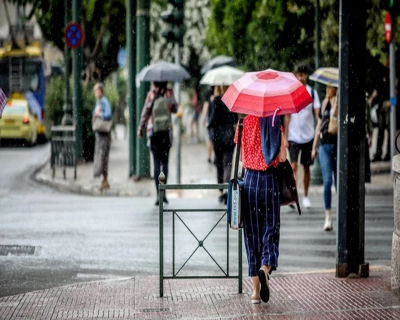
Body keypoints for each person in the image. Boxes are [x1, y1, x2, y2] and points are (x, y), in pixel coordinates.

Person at [235, 114, 287, 304]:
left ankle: (255, 292)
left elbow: (241, 156)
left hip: (249, 182)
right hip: (269, 180)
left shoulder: (243, 123)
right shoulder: (274, 121)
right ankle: (265, 268)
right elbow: (282, 157)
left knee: (252, 235)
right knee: (270, 228)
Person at [284, 64, 321, 209]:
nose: (301, 77)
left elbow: (317, 112)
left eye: (303, 74)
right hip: (293, 135)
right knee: (293, 166)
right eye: (298, 75)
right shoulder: (292, 92)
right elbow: (287, 116)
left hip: (307, 136)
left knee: (306, 168)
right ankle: (294, 195)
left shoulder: (312, 92)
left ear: (306, 75)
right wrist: (285, 137)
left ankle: (305, 196)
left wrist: (320, 121)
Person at [137, 81, 178, 205]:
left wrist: (140, 128)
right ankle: (164, 193)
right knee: (165, 163)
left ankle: (158, 194)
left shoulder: (151, 94)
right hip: (166, 132)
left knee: (156, 163)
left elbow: (145, 113)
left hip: (153, 132)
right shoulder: (169, 93)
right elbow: (175, 109)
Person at [311, 85, 338, 231]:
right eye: (328, 87)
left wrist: (336, 109)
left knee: (338, 183)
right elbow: (320, 125)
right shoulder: (324, 102)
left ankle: (341, 213)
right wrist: (314, 146)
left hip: (337, 145)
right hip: (324, 145)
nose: (329, 90)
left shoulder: (339, 101)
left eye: (332, 87)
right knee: (327, 180)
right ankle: (328, 216)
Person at [208, 85, 237, 203]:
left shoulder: (216, 101)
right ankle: (226, 190)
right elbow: (235, 119)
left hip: (218, 137)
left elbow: (213, 118)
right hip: (230, 137)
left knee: (219, 164)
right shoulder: (231, 101)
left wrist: (208, 124)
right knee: (228, 164)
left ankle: (221, 190)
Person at [93, 83, 112, 191]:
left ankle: (104, 180)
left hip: (104, 134)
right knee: (101, 157)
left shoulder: (104, 101)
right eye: (95, 91)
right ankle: (104, 180)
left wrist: (100, 114)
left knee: (103, 157)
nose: (96, 93)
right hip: (100, 134)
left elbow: (108, 114)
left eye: (98, 91)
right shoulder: (99, 102)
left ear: (101, 91)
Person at [369, 64, 390, 162]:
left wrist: (392, 102)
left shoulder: (392, 74)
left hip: (389, 106)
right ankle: (378, 153)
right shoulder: (382, 73)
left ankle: (388, 154)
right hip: (382, 105)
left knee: (390, 130)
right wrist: (371, 99)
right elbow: (378, 89)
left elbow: (396, 91)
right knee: (381, 130)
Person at [201, 86, 215, 164]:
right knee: (215, 139)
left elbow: (206, 106)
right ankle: (215, 157)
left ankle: (209, 157)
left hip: (210, 121)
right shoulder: (223, 90)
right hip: (218, 121)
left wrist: (203, 118)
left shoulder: (209, 91)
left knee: (210, 139)